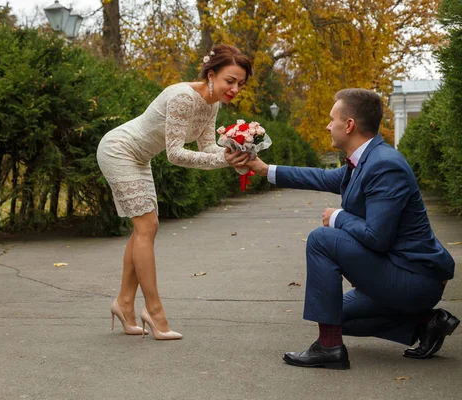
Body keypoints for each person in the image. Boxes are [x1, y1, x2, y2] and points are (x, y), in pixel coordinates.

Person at [245, 88, 458, 369]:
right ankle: (427, 323)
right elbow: (319, 177)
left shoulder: (384, 165)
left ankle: (329, 348)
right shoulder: (363, 161)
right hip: (396, 272)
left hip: (415, 278)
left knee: (322, 238)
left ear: (349, 125)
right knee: (335, 314)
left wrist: (337, 217)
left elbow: (377, 237)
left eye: (332, 119)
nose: (327, 125)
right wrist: (264, 169)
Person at [97, 44, 253, 340]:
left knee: (144, 229)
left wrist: (236, 152)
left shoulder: (212, 104)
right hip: (118, 150)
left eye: (240, 84)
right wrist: (224, 159)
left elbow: (208, 148)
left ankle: (124, 303)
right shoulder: (183, 97)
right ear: (211, 74)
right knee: (147, 226)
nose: (235, 88)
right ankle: (154, 312)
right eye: (229, 81)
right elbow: (175, 154)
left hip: (140, 158)